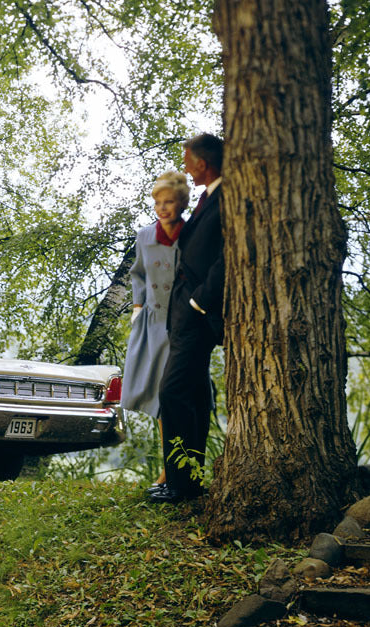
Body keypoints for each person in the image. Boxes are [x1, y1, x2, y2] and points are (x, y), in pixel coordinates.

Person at [149, 133, 225, 503]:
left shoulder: (227, 198)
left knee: (173, 392)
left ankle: (179, 483)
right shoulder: (206, 198)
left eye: (187, 161)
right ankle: (188, 480)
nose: (184, 167)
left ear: (202, 162)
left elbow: (229, 256)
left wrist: (199, 302)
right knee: (193, 394)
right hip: (183, 313)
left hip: (198, 313)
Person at [122, 172, 190, 490]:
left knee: (172, 398)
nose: (163, 209)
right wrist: (138, 307)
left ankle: (174, 472)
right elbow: (137, 274)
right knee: (155, 399)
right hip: (151, 324)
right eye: (158, 203)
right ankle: (169, 470)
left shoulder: (190, 235)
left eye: (169, 202)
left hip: (180, 326)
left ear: (181, 204)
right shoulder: (145, 236)